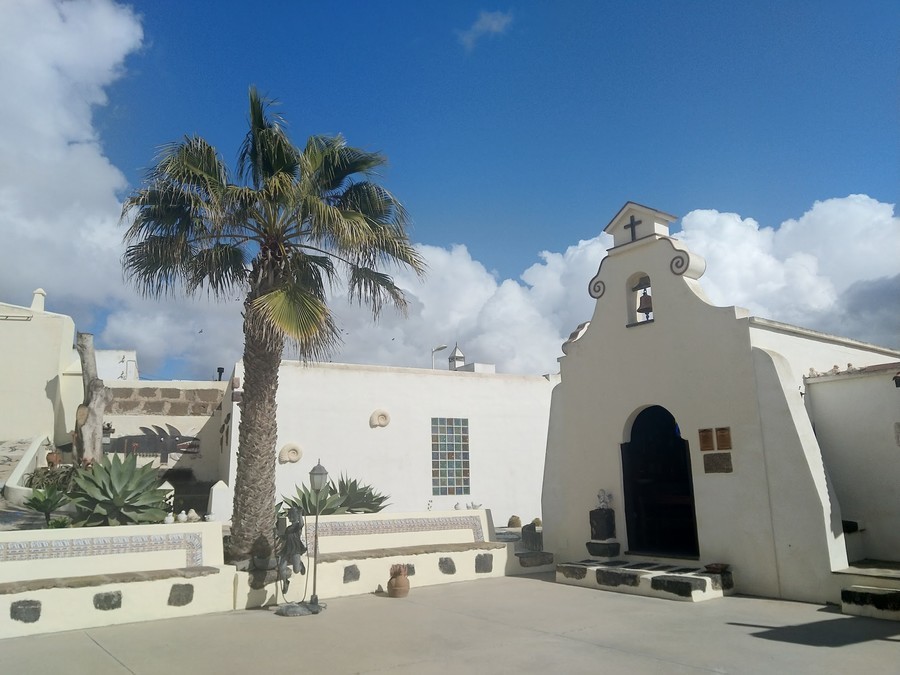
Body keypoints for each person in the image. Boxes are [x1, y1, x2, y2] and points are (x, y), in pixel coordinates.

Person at [278, 507, 307, 594]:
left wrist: (300, 514)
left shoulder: (297, 527)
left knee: (296, 570)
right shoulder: (288, 528)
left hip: (295, 548)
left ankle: (300, 565)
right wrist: (278, 535)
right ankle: (285, 582)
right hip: (287, 548)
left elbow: (302, 523)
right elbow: (285, 538)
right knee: (281, 567)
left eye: (291, 516)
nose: (289, 517)